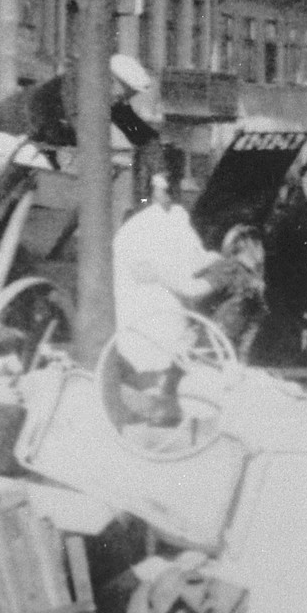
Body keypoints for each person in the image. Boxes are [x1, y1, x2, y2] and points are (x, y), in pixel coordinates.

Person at [112, 170, 217, 426]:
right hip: (151, 306)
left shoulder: (171, 222)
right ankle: (157, 404)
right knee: (158, 351)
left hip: (161, 306)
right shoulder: (147, 227)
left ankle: (161, 401)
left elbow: (193, 260)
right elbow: (182, 271)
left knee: (164, 351)